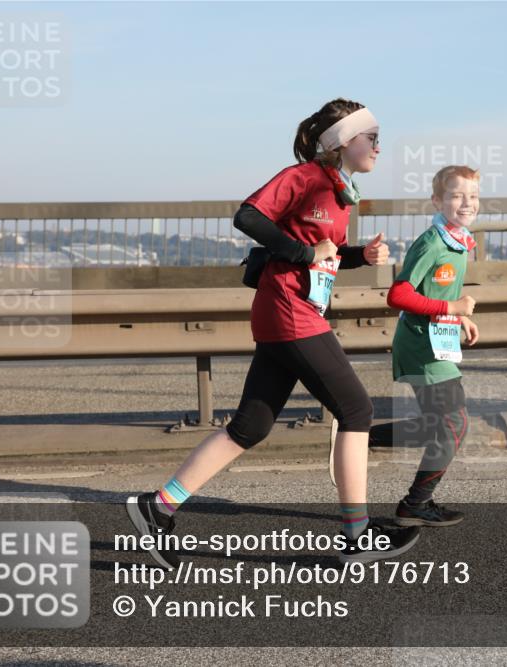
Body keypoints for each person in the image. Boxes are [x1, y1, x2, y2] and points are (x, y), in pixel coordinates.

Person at [126, 98, 420, 567]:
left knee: (250, 427)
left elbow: (324, 252)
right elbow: (247, 216)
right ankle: (357, 535)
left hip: (292, 311)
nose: (380, 147)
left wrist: (359, 256)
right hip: (289, 310)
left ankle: (157, 508)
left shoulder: (340, 193)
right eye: (373, 137)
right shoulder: (304, 177)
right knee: (356, 409)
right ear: (343, 142)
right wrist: (303, 255)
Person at [377, 165, 481, 526]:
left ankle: (355, 436)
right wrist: (450, 308)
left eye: (473, 196)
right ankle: (415, 504)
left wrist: (457, 317)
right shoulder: (433, 241)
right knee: (455, 423)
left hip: (439, 340)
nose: (466, 202)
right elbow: (399, 294)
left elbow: (434, 290)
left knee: (441, 424)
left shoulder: (458, 239)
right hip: (421, 346)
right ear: (437, 200)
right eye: (456, 195)